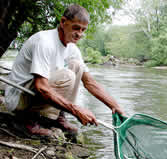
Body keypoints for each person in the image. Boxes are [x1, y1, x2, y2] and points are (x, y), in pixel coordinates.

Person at [4, 4, 124, 137]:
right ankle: (28, 120)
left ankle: (58, 117)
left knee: (76, 66)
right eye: (76, 28)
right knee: (67, 75)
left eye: (83, 30)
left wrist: (115, 106)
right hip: (18, 97)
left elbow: (90, 82)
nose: (79, 34)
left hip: (32, 94)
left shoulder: (72, 49)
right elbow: (41, 87)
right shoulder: (44, 41)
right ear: (63, 22)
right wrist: (76, 110)